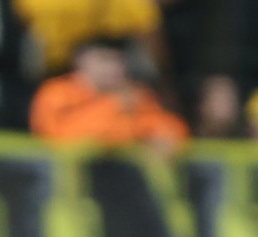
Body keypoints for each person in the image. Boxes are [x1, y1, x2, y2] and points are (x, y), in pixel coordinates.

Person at [29, 37, 189, 159]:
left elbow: (163, 124)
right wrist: (114, 106)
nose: (113, 67)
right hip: (68, 182)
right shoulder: (56, 92)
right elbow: (62, 139)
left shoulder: (134, 94)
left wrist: (165, 134)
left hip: (119, 180)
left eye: (118, 60)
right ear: (79, 61)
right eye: (103, 59)